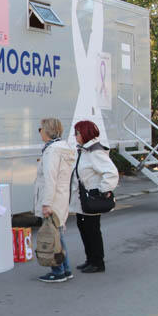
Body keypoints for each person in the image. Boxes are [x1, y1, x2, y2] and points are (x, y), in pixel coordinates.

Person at [32, 118, 77, 283]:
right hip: (62, 197)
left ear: (47, 131)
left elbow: (50, 179)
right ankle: (65, 269)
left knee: (53, 236)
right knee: (58, 234)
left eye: (40, 129)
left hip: (53, 198)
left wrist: (46, 203)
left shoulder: (52, 151)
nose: (40, 132)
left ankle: (58, 271)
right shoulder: (64, 148)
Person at [71, 119, 119, 273]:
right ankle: (90, 259)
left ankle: (97, 262)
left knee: (92, 229)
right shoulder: (85, 149)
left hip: (91, 197)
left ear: (84, 133)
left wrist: (103, 190)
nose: (75, 136)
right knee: (84, 227)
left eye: (77, 133)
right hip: (83, 197)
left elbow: (111, 172)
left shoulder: (95, 151)